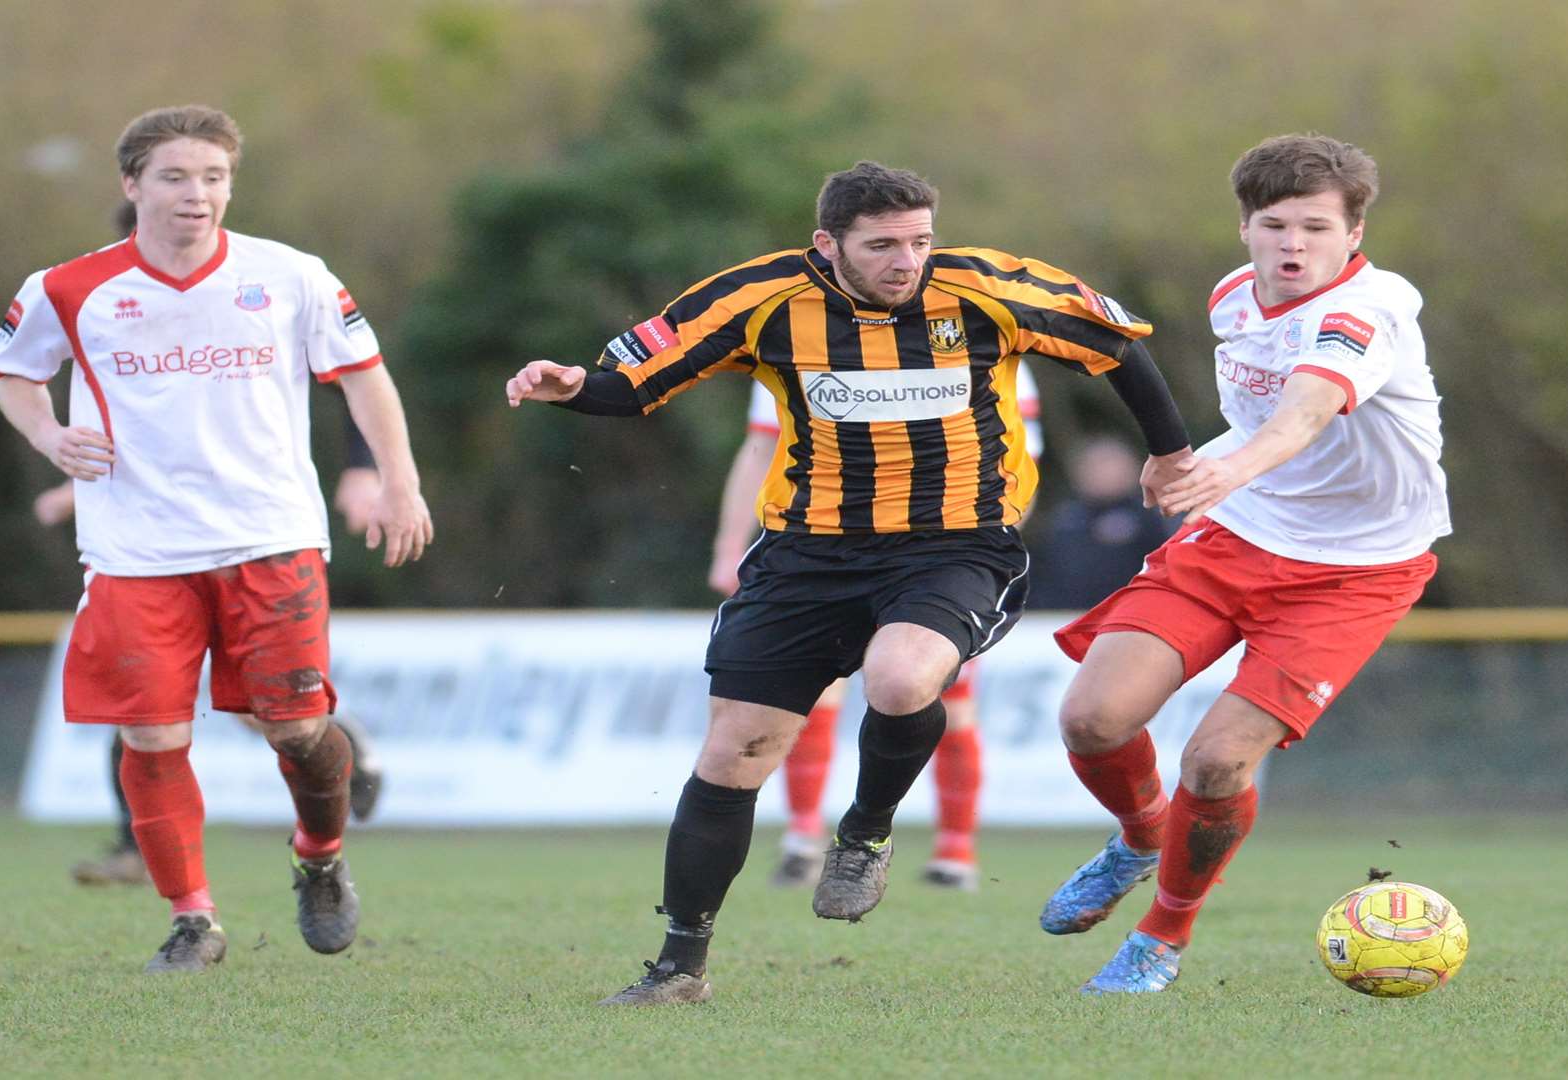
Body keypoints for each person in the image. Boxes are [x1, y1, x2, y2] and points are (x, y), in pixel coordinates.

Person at [506, 160, 1191, 1005]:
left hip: (957, 544)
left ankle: (864, 832)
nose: (906, 261)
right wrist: (573, 388)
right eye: (882, 246)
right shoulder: (757, 300)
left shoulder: (991, 290)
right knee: (735, 751)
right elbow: (635, 383)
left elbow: (1116, 347)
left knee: (901, 678)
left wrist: (1169, 451)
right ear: (827, 244)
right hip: (807, 553)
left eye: (919, 241)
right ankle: (679, 968)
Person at [0, 105, 433, 973]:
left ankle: (320, 857)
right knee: (152, 738)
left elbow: (366, 378)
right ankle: (193, 920)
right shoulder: (66, 287)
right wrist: (49, 438)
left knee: (298, 729)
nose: (198, 195)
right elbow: (12, 373)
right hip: (135, 551)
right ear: (132, 185)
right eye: (176, 177)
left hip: (271, 538)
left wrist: (400, 483)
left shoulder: (291, 274)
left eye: (214, 178)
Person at [1038, 133, 1449, 994]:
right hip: (1238, 535)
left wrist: (1222, 471)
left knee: (1218, 762)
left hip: (1356, 570)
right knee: (1092, 720)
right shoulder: (1233, 298)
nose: (1292, 245)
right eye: (1274, 226)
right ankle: (1142, 837)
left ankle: (1162, 937)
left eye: (1314, 226)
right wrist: (1183, 459)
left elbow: (1304, 413)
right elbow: (1254, 414)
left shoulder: (1368, 310)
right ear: (1245, 229)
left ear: (1353, 231)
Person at [40, 203, 389, 888]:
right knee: (142, 715)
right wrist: (67, 470)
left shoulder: (261, 286)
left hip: (255, 537)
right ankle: (140, 854)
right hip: (144, 550)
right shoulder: (108, 301)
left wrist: (364, 467)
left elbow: (357, 375)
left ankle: (344, 756)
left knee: (274, 713)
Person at [710, 373, 1046, 892]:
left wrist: (980, 562)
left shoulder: (977, 331)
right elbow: (761, 446)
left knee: (941, 697)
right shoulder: (790, 333)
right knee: (810, 692)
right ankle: (803, 838)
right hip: (824, 553)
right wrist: (729, 547)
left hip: (939, 559)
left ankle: (954, 851)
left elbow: (1017, 461)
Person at [1025, 436, 1173, 611]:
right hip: (1060, 618)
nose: (1100, 473)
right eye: (1094, 466)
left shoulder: (1150, 517)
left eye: (1108, 465)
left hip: (1128, 617)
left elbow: (1165, 569)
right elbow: (1043, 570)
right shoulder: (1066, 517)